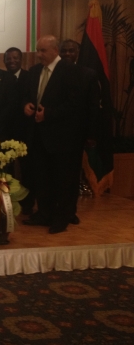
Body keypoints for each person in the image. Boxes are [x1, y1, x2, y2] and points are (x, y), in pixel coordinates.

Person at [22, 35, 83, 234]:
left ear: (55, 50)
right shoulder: (34, 71)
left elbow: (75, 104)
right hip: (38, 135)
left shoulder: (70, 70)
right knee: (42, 178)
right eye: (38, 50)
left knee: (62, 180)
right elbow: (28, 96)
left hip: (62, 137)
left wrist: (48, 114)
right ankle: (44, 213)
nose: (39, 54)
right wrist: (27, 106)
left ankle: (61, 218)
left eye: (43, 51)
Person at [60, 39, 101, 224]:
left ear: (77, 53)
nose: (67, 54)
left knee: (71, 175)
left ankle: (69, 212)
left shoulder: (88, 74)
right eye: (64, 51)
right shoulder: (51, 73)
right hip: (51, 133)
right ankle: (52, 210)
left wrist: (91, 134)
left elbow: (93, 107)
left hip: (75, 134)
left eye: (71, 51)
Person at [4, 46, 34, 213]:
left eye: (15, 58)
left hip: (25, 131)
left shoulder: (30, 77)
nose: (12, 61)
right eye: (8, 58)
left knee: (27, 169)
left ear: (21, 60)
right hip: (5, 132)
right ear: (4, 61)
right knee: (6, 169)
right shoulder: (1, 78)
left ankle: (28, 204)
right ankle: (7, 203)